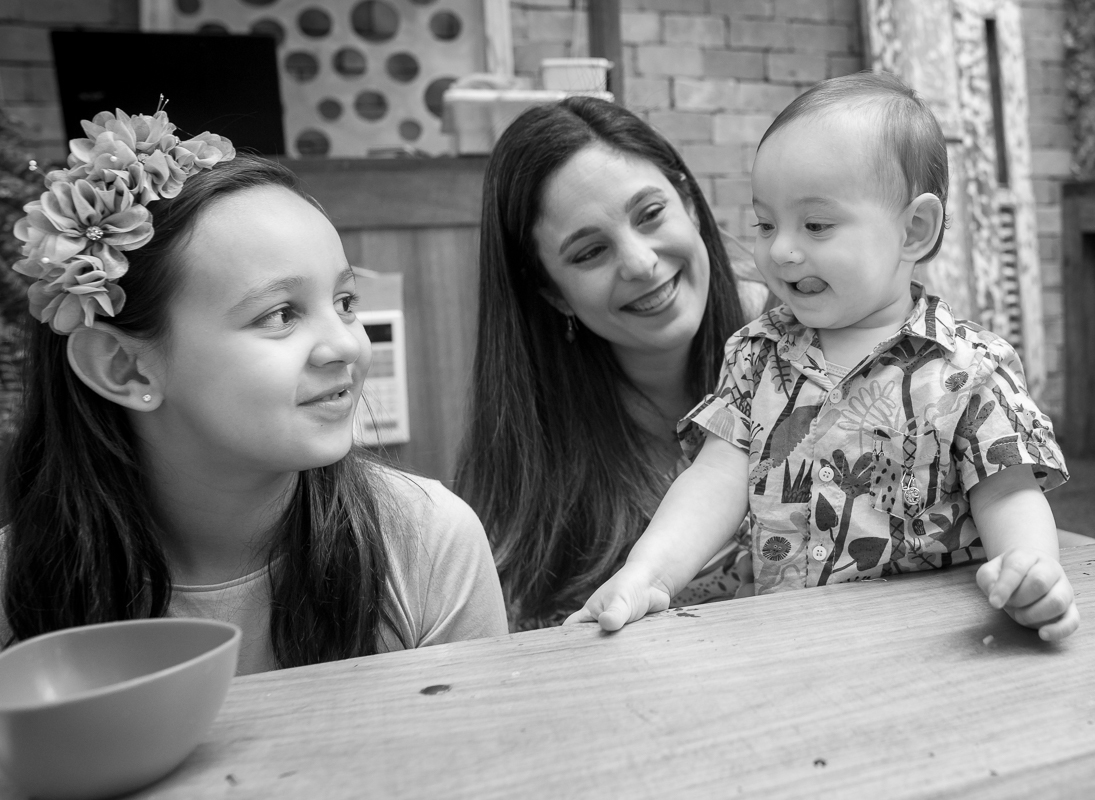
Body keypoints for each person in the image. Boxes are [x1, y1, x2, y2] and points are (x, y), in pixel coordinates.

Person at [568, 72, 1079, 642]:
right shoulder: (756, 355)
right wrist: (646, 573)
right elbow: (714, 480)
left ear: (914, 229)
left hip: (928, 641)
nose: (782, 250)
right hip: (785, 641)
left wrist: (1030, 571)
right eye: (766, 224)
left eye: (816, 225)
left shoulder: (967, 369)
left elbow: (1008, 492)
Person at [0, 107, 507, 673]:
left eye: (345, 303)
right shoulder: (16, 587)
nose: (345, 346)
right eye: (282, 314)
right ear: (125, 368)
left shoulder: (428, 544)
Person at [454, 96, 767, 630]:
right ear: (551, 292)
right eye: (589, 252)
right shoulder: (534, 453)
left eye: (650, 215)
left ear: (689, 204)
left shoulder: (820, 340)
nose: (641, 263)